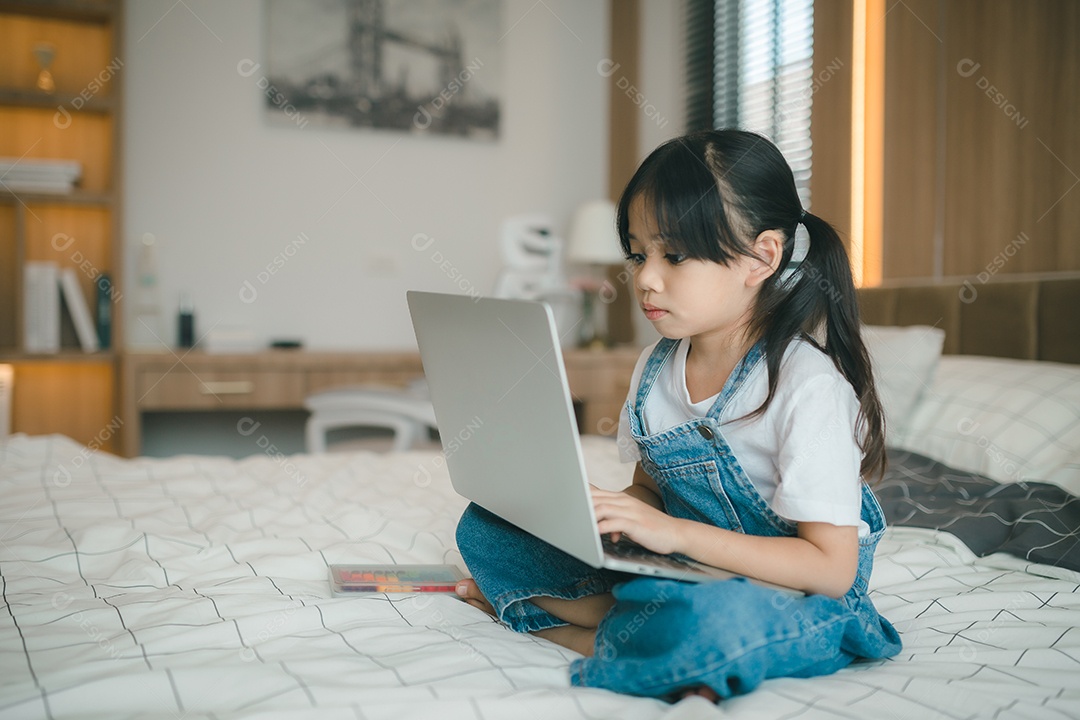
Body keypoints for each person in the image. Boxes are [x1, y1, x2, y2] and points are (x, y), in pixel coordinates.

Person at [455, 129, 902, 702]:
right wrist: (595, 510)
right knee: (487, 526)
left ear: (761, 257)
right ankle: (627, 624)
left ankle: (581, 627)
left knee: (709, 624)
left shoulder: (808, 385)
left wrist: (669, 533)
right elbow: (650, 489)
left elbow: (831, 570)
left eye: (675, 255)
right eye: (638, 254)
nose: (644, 277)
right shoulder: (655, 368)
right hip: (683, 568)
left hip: (791, 597)